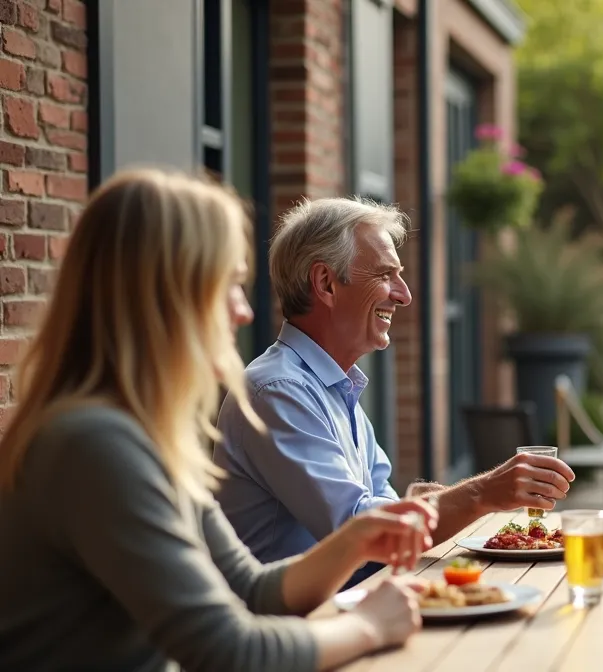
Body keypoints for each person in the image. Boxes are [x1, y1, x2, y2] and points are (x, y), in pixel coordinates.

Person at [0, 169, 428, 671]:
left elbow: (250, 589)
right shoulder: (93, 444)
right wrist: (369, 626)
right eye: (229, 284)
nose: (244, 312)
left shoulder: (142, 433)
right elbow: (227, 651)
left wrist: (357, 538)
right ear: (166, 296)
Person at [213, 197, 575, 584]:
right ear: (326, 284)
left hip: (352, 602)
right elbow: (362, 531)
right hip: (297, 618)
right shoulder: (279, 390)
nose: (403, 295)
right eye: (385, 275)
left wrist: (425, 505)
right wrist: (482, 493)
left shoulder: (335, 386)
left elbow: (385, 515)